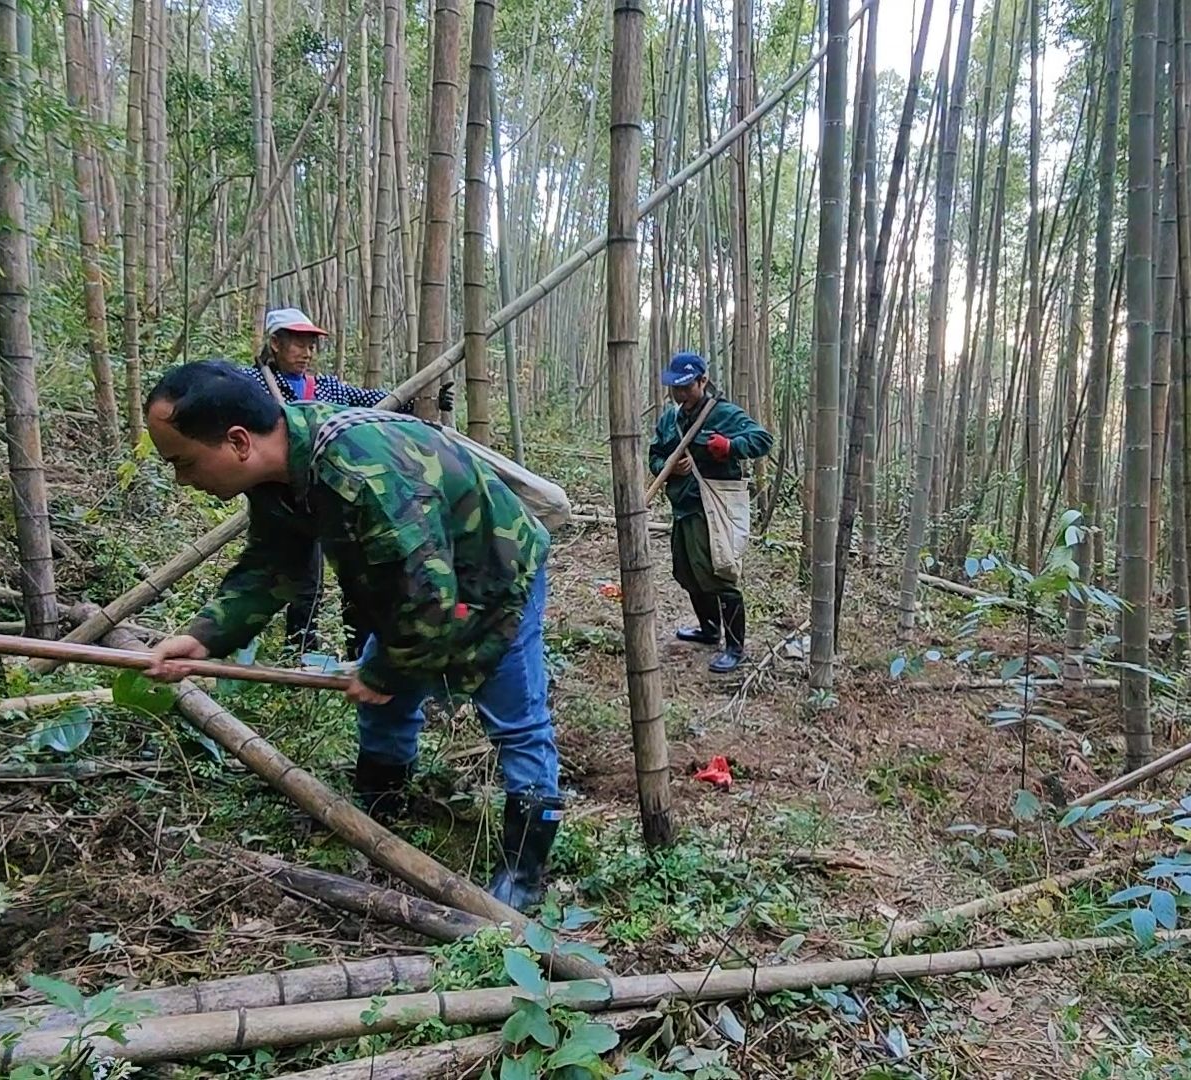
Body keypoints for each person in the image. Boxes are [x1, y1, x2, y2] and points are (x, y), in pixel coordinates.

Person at [141, 360, 560, 911]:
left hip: (495, 574)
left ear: (238, 441)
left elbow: (429, 602)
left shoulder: (361, 473)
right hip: (415, 582)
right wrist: (204, 637)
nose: (183, 479)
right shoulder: (281, 470)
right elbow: (275, 564)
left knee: (515, 719)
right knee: (384, 701)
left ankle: (523, 870)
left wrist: (387, 667)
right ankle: (380, 807)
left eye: (186, 462)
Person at [246, 308, 454, 657]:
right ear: (275, 343)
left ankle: (359, 656)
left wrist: (424, 400)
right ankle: (300, 655)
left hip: (332, 493)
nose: (306, 352)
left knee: (356, 579)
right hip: (283, 499)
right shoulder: (254, 385)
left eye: (311, 344)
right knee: (303, 581)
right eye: (297, 342)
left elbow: (381, 402)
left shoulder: (327, 387)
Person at [648, 352, 773, 674]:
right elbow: (656, 455)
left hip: (714, 508)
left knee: (718, 574)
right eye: (675, 388)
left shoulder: (723, 414)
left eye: (686, 387)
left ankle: (735, 646)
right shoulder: (669, 419)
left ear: (703, 381)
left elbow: (762, 439)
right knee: (688, 573)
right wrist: (670, 468)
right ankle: (708, 630)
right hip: (683, 507)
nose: (680, 394)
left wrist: (730, 447)